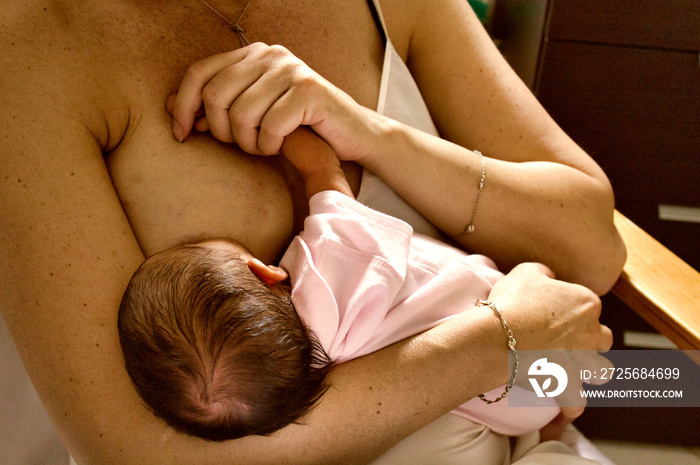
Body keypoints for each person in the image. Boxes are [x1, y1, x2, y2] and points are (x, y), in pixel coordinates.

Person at [0, 0, 625, 464]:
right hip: (508, 377)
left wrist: (371, 134)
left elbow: (595, 251)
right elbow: (141, 456)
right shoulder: (32, 45)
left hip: (521, 406)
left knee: (657, 383)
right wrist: (494, 341)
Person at [117, 128, 561, 454]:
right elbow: (324, 174)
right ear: (264, 272)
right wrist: (283, 136)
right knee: (615, 367)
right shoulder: (326, 268)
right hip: (525, 315)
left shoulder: (298, 385)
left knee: (588, 393)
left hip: (509, 407)